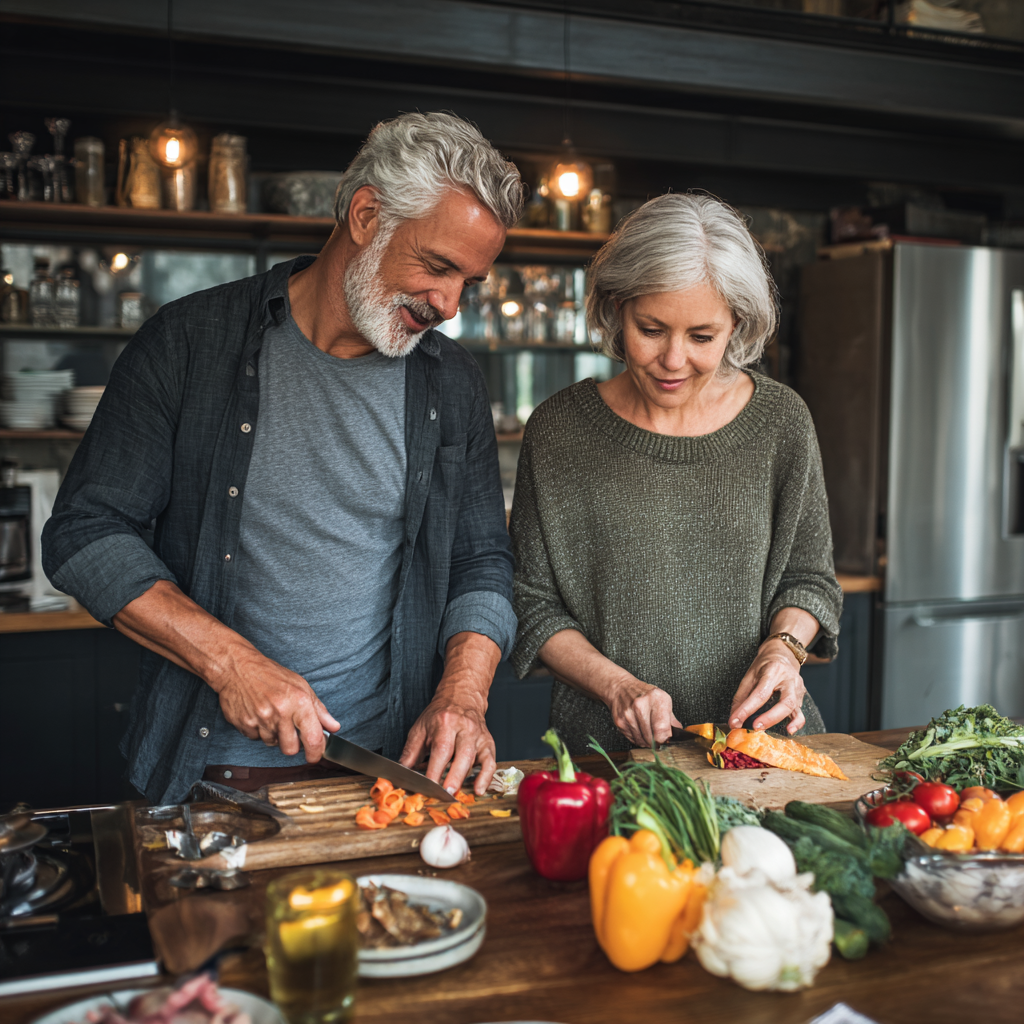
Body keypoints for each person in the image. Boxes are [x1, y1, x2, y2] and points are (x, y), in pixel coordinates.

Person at [43, 112, 525, 805]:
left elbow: (482, 559)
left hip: (386, 775)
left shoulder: (452, 384)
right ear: (366, 215)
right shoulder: (188, 343)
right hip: (212, 776)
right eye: (438, 265)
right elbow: (85, 533)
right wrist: (232, 663)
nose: (448, 305)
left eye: (469, 283)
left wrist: (464, 696)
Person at [509, 192, 842, 755]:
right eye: (652, 328)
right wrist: (616, 688)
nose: (673, 360)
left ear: (737, 324)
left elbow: (810, 580)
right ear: (616, 308)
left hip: (762, 746)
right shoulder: (558, 431)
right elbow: (532, 603)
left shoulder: (782, 422)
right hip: (609, 755)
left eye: (702, 337)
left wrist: (782, 650)